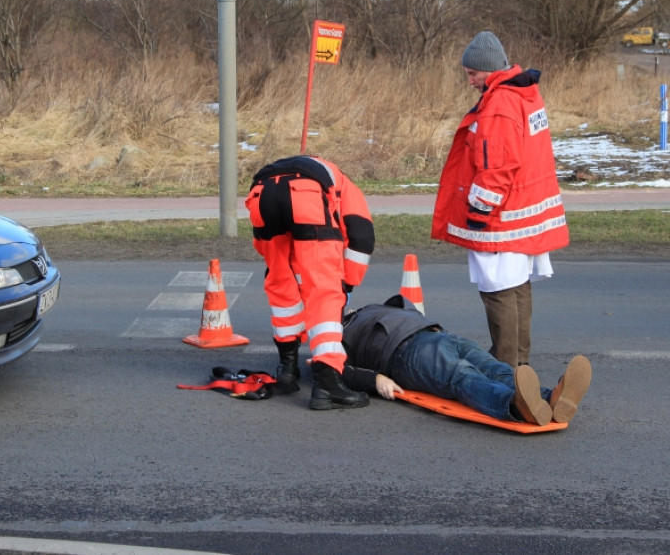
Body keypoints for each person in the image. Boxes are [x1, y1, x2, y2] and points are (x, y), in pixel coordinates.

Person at [432, 31, 569, 368]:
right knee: (517, 283)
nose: (470, 81)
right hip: (523, 207)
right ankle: (519, 361)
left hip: (501, 215)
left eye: (472, 74)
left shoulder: (499, 104)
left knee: (496, 287)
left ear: (489, 70)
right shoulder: (525, 95)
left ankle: (506, 365)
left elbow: (497, 164)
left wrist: (479, 208)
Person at [246, 155, 375, 411]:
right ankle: (328, 383)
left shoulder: (317, 173)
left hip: (261, 193)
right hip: (304, 195)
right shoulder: (345, 187)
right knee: (324, 290)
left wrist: (285, 265)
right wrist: (345, 284)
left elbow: (266, 248)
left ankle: (287, 370)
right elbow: (361, 237)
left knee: (281, 283)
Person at [341, 295, 590, 425]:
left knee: (495, 368)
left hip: (441, 335)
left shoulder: (374, 307)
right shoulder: (338, 336)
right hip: (407, 352)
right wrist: (375, 379)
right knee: (461, 375)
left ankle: (550, 399)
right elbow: (338, 371)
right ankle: (514, 406)